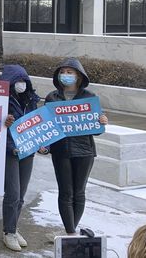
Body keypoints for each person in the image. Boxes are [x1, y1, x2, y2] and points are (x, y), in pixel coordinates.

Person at [45, 58, 108, 239]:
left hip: (85, 151)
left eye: (70, 72)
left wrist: (101, 122)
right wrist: (44, 146)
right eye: (62, 72)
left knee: (79, 191)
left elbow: (95, 131)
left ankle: (71, 229)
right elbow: (46, 128)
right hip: (61, 151)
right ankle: (70, 232)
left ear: (79, 76)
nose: (66, 75)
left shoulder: (89, 98)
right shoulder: (52, 97)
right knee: (65, 192)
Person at [0, 64, 39, 252]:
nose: (21, 84)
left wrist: (42, 144)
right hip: (11, 153)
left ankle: (13, 228)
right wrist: (11, 147)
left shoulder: (31, 99)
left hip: (28, 151)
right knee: (13, 194)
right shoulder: (2, 100)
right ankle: (8, 232)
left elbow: (39, 125)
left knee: (21, 195)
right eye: (17, 81)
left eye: (24, 81)